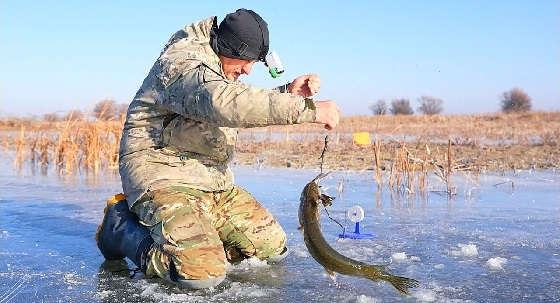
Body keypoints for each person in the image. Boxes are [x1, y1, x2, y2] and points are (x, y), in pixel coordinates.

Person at [96, 8, 340, 289]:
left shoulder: (216, 70)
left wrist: (287, 93)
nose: (249, 70)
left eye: (255, 62)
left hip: (210, 181)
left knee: (271, 249)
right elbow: (220, 102)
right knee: (201, 273)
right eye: (246, 60)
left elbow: (230, 106)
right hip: (162, 176)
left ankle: (200, 234)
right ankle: (121, 228)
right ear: (226, 47)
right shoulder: (181, 64)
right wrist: (305, 109)